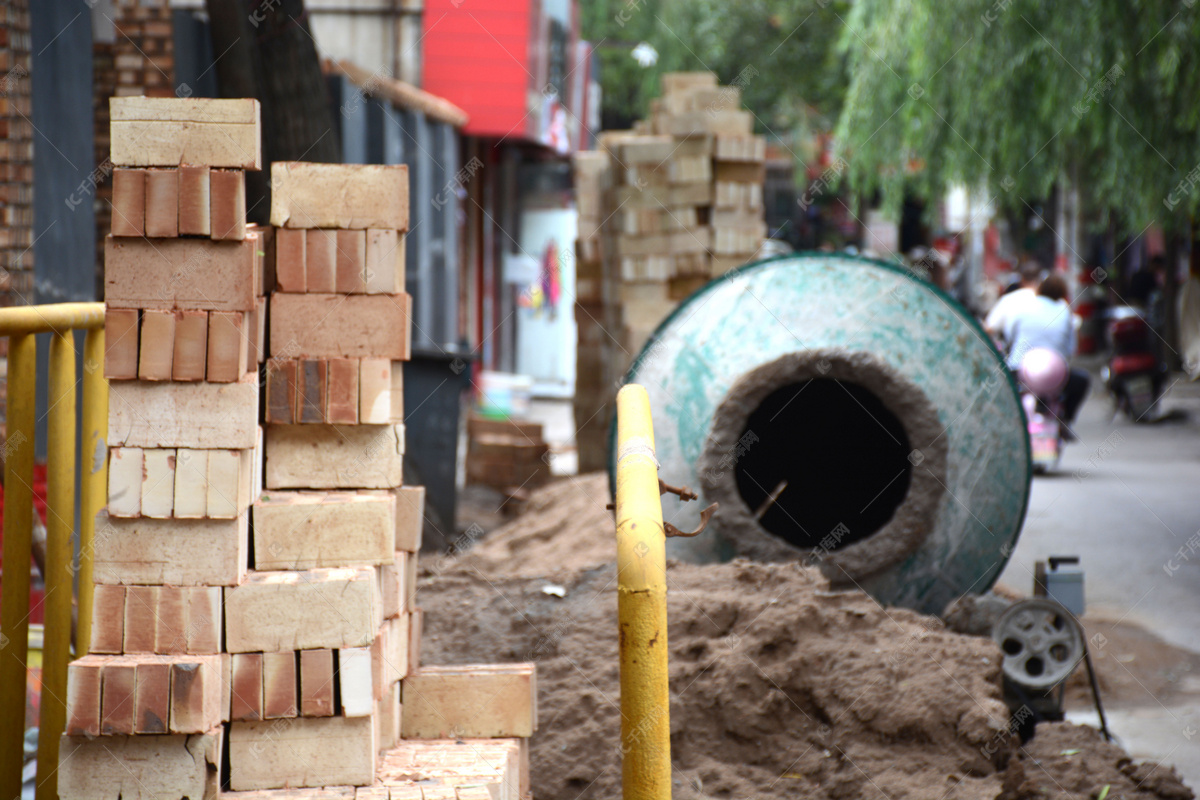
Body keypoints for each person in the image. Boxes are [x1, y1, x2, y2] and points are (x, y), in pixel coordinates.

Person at [1007, 274, 1090, 435]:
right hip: (1054, 374)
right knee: (1082, 381)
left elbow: (1010, 334)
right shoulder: (1064, 310)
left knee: (1005, 393)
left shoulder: (1025, 306)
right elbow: (1070, 349)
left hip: (1019, 369)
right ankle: (1065, 421)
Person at [985, 259, 1043, 346]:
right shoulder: (1048, 301)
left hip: (1017, 353)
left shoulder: (1009, 300)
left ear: (1022, 280)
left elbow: (989, 327)